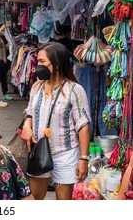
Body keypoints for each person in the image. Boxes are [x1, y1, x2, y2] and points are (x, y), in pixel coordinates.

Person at [21, 42, 90, 200]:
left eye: (43, 62)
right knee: (35, 197)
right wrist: (27, 124)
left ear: (57, 64)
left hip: (65, 154)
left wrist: (83, 159)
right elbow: (30, 111)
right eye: (38, 61)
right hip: (39, 151)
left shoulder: (74, 90)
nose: (38, 65)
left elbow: (83, 126)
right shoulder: (37, 87)